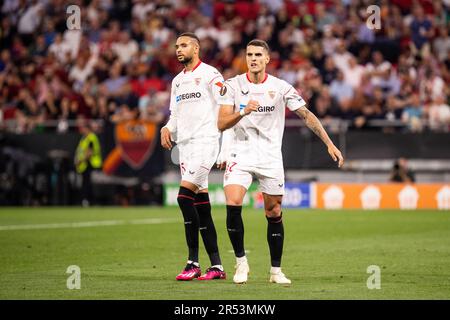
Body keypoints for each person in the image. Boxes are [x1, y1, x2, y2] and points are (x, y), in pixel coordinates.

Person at [216, 39, 344, 285]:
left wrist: (329, 142)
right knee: (233, 202)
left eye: (257, 55)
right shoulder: (231, 86)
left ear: (267, 59)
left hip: (270, 156)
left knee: (273, 211)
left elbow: (306, 115)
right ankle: (241, 262)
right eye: (249, 54)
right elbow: (221, 123)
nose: (252, 59)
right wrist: (242, 111)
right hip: (240, 153)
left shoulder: (281, 87)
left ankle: (276, 271)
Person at [160, 32, 226, 281]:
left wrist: (225, 147)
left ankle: (192, 262)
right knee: (202, 207)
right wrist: (167, 127)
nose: (179, 49)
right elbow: (174, 114)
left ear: (196, 48)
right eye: (177, 46)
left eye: (184, 45)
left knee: (183, 197)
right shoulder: (177, 81)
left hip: (205, 144)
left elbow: (226, 107)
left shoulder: (211, 75)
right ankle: (217, 266)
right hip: (185, 148)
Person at [74, 119, 103, 207]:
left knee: (87, 184)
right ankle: (88, 201)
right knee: (86, 183)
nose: (81, 130)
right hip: (86, 164)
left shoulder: (91, 137)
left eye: (82, 128)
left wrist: (80, 161)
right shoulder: (84, 138)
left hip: (91, 164)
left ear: (87, 128)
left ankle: (87, 201)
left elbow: (89, 152)